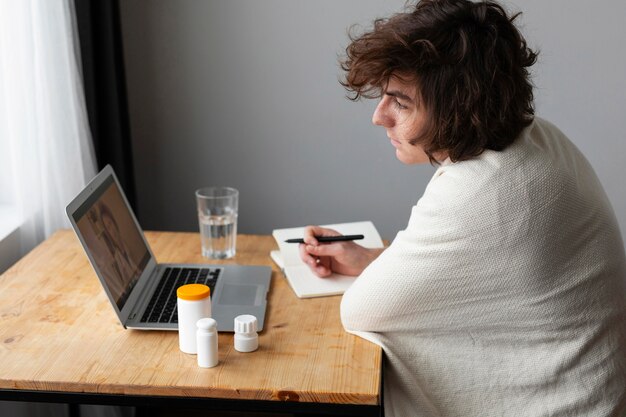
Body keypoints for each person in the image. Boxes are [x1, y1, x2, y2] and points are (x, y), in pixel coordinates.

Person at [299, 1, 626, 415]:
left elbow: (360, 310)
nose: (379, 117)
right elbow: (494, 275)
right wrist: (372, 260)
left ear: (456, 105)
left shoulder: (482, 190)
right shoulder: (539, 138)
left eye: (400, 102)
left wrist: (376, 273)